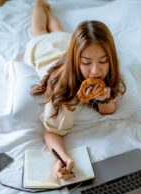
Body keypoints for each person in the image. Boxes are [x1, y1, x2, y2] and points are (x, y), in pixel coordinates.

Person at [24, 0, 126, 180]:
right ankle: (39, 3)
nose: (95, 71)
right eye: (87, 63)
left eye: (102, 61)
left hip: (65, 42)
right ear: (76, 60)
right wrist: (63, 158)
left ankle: (47, 9)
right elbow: (52, 130)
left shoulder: (107, 68)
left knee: (57, 28)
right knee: (39, 31)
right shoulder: (61, 85)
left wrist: (105, 98)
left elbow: (109, 109)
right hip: (44, 51)